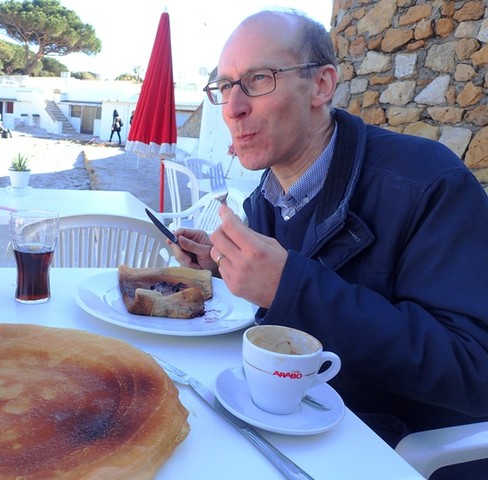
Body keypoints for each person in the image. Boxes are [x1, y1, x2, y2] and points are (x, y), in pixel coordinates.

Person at [170, 10, 488, 478]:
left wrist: (292, 289)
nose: (233, 108)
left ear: (321, 85)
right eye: (224, 86)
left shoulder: (428, 183)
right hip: (293, 425)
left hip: (393, 450)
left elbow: (473, 368)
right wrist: (222, 266)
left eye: (258, 79)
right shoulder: (267, 198)